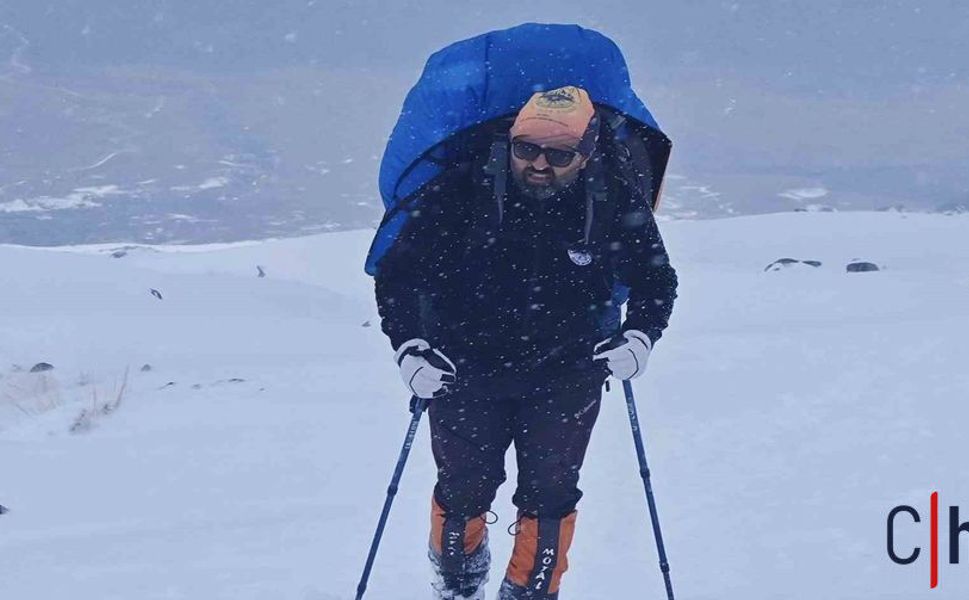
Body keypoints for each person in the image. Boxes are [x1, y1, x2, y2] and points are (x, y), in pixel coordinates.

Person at [374, 85, 677, 599]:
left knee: (550, 495)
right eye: (526, 149)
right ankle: (458, 581)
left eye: (560, 155)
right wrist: (410, 346)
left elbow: (655, 279)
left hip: (569, 371)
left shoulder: (609, 198)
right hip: (461, 368)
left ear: (586, 155)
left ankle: (530, 591)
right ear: (509, 142)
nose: (539, 164)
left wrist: (640, 336)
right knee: (463, 490)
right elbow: (399, 275)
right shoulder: (461, 190)